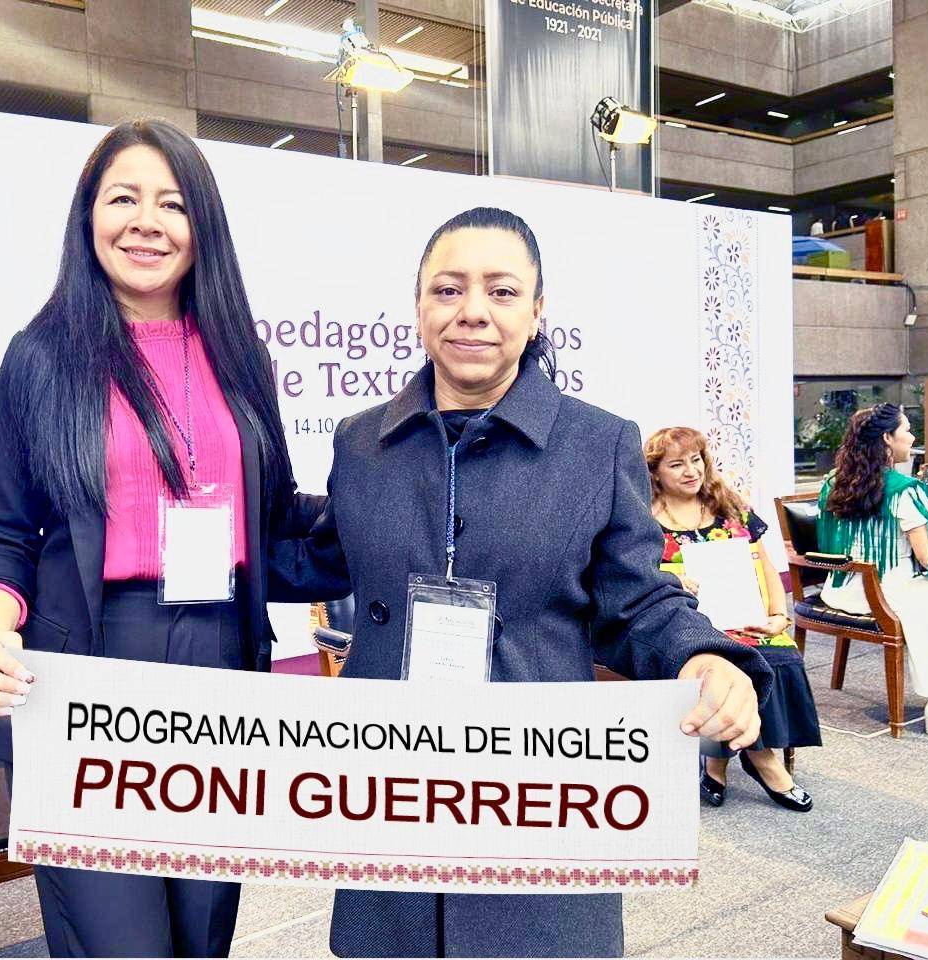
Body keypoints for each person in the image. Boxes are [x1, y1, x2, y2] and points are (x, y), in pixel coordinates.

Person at [269, 207, 772, 958]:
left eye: (502, 292)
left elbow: (636, 600)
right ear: (417, 307)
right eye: (448, 290)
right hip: (392, 795)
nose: (473, 310)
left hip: (538, 799)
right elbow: (325, 558)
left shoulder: (597, 444)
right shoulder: (361, 441)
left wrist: (705, 656)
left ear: (538, 312)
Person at [0, 119, 327, 958]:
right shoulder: (40, 358)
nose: (146, 222)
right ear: (89, 218)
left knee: (201, 934)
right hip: (88, 663)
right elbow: (4, 529)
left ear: (204, 228)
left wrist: (391, 504)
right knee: (121, 944)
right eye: (123, 198)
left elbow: (277, 520)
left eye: (172, 203)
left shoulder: (241, 357)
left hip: (220, 656)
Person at [645, 426, 820, 811]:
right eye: (677, 464)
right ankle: (763, 760)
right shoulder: (645, 519)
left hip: (743, 616)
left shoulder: (730, 506)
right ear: (655, 472)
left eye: (696, 460)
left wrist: (778, 615)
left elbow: (767, 566)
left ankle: (716, 764)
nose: (691, 471)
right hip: (689, 625)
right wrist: (671, 576)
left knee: (779, 655)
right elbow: (635, 577)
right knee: (721, 667)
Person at [817, 403, 928, 735]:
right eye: (907, 430)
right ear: (887, 438)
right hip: (888, 593)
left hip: (842, 589)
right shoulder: (905, 489)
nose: (913, 436)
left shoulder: (833, 482)